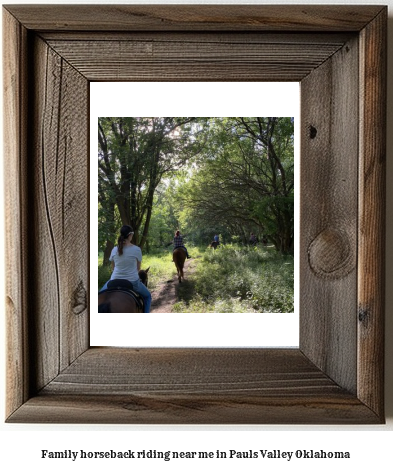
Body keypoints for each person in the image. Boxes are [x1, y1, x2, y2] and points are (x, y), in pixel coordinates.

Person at [101, 225, 151, 313]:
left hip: (114, 280)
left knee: (97, 296)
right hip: (132, 281)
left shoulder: (114, 249)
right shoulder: (137, 249)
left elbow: (113, 268)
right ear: (130, 235)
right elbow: (138, 268)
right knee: (148, 297)